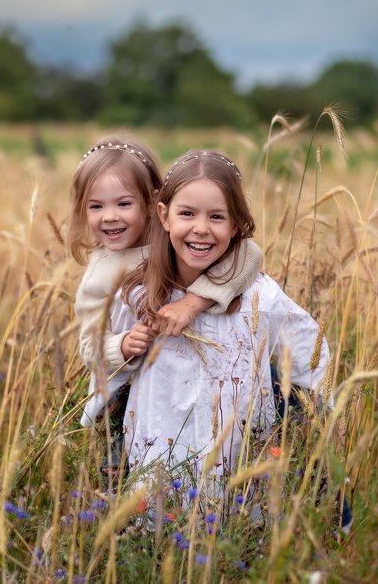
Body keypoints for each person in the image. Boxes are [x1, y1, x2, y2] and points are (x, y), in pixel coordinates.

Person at [113, 150, 331, 497]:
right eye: (187, 214)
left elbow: (309, 347)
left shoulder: (259, 297)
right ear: (164, 216)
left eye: (216, 216)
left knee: (233, 538)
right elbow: (109, 361)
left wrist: (313, 415)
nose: (201, 228)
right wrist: (122, 351)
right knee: (160, 534)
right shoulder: (141, 294)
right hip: (158, 451)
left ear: (235, 226)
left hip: (240, 462)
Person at [67, 136, 263, 478]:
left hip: (190, 379)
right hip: (124, 389)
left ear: (152, 203)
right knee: (121, 469)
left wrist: (193, 301)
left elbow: (251, 254)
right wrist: (122, 346)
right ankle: (124, 523)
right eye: (96, 207)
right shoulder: (100, 275)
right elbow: (89, 347)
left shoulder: (176, 235)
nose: (110, 217)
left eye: (123, 204)